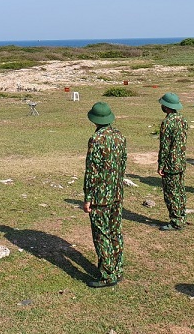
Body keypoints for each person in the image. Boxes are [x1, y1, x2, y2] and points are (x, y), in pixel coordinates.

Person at [83, 101, 128, 288]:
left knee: (101, 234)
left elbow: (91, 171)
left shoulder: (96, 139)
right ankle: (117, 268)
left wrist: (87, 197)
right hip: (117, 192)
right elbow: (123, 164)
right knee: (115, 231)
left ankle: (108, 274)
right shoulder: (119, 137)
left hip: (100, 196)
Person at [157, 92, 188, 230]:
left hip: (170, 163)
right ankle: (181, 216)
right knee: (180, 191)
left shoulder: (167, 122)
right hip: (181, 161)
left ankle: (176, 221)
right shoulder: (182, 119)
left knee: (171, 193)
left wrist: (161, 164)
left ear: (167, 107)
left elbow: (164, 146)